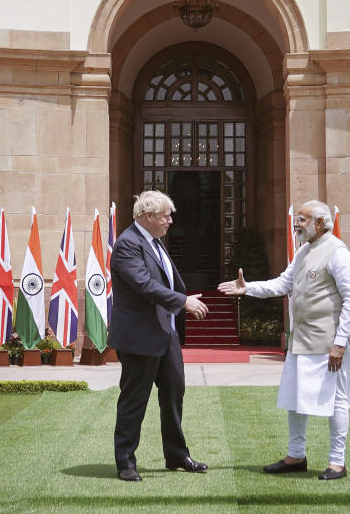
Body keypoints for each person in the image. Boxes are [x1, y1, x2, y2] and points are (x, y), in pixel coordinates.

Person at [218, 200, 350, 480]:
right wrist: (247, 287)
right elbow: (282, 284)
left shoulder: (337, 253)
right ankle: (295, 456)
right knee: (295, 399)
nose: (296, 224)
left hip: (328, 344)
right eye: (297, 219)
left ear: (319, 223)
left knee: (336, 400)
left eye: (302, 219)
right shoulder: (303, 252)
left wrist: (339, 343)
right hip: (301, 341)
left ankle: (337, 462)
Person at [109, 190, 210, 482]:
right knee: (134, 400)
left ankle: (176, 456)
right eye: (166, 215)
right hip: (139, 338)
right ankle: (125, 463)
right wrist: (183, 301)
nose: (170, 220)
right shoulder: (128, 244)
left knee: (174, 394)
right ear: (148, 216)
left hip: (166, 335)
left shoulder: (154, 242)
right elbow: (144, 285)